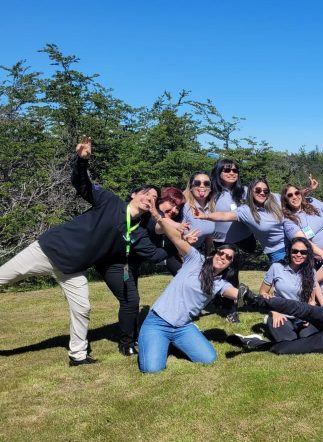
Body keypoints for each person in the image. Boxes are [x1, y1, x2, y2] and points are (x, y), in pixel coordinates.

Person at [0, 137, 161, 365]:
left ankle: (77, 356)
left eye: (155, 198)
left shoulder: (138, 232)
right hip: (48, 251)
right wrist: (82, 161)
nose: (151, 199)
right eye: (147, 193)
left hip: (73, 270)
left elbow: (156, 256)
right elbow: (82, 184)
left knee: (83, 308)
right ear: (134, 194)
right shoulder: (110, 201)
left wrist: (184, 245)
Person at [138, 203, 243, 373]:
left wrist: (263, 300)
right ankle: (155, 339)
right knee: (152, 369)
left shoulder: (220, 284)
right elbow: (175, 238)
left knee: (209, 359)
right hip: (158, 322)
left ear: (230, 265)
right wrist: (157, 217)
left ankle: (173, 341)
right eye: (221, 253)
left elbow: (238, 294)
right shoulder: (196, 259)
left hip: (182, 327)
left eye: (228, 258)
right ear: (215, 253)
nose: (223, 257)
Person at [99, 185, 191, 357]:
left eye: (178, 207)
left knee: (131, 300)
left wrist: (180, 235)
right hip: (114, 262)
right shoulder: (149, 216)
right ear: (159, 201)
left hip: (130, 263)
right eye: (171, 203)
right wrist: (177, 231)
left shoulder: (149, 216)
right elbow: (158, 226)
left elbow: (161, 224)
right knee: (130, 301)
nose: (174, 209)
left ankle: (132, 337)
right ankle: (126, 343)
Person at [193, 178, 286, 263]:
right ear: (250, 192)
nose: (262, 193)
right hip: (277, 251)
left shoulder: (276, 198)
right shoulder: (246, 211)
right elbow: (224, 215)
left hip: (295, 242)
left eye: (266, 191)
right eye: (258, 190)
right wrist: (205, 215)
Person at [258, 237, 321, 343]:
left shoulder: (311, 272)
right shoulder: (276, 267)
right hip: (281, 314)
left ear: (308, 254)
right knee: (289, 341)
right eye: (295, 251)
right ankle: (270, 322)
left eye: (303, 252)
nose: (299, 255)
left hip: (302, 315)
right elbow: (262, 292)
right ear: (289, 252)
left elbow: (311, 300)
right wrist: (274, 311)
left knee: (309, 340)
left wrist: (309, 316)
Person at [282, 182, 323, 264]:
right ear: (286, 200)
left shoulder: (311, 201)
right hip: (317, 258)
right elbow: (303, 240)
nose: (294, 197)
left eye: (297, 193)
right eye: (290, 195)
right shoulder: (288, 220)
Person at [210, 158, 257, 253]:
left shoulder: (245, 191)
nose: (232, 173)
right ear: (218, 172)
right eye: (227, 170)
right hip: (222, 241)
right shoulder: (211, 193)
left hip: (246, 239)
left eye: (235, 170)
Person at [181, 171, 217, 254]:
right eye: (197, 183)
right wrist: (184, 239)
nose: (202, 186)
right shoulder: (183, 206)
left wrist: (208, 255)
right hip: (180, 253)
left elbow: (208, 235)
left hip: (198, 252)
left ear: (210, 188)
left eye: (206, 183)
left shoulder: (211, 208)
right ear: (190, 187)